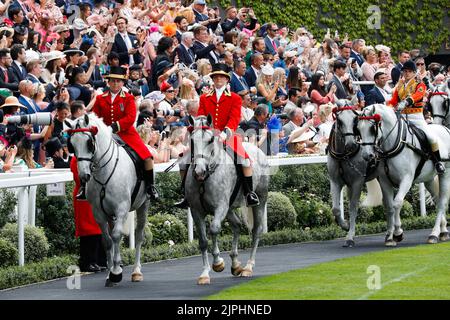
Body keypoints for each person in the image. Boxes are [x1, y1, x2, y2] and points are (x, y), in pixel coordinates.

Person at [175, 63, 260, 208]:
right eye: (216, 77)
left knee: (244, 160)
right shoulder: (204, 97)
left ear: (227, 79)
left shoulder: (235, 98)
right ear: (212, 79)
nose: (218, 79)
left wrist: (224, 134)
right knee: (183, 161)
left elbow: (234, 119)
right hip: (207, 136)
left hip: (228, 135)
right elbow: (201, 117)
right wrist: (200, 130)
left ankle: (248, 193)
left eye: (221, 77)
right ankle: (186, 195)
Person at [87, 66, 159, 200]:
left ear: (122, 83)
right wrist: (102, 129)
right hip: (104, 135)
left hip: (126, 133)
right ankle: (84, 187)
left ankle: (150, 187)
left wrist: (114, 127)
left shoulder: (128, 98)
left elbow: (130, 117)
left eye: (118, 81)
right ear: (108, 82)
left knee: (147, 157)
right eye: (113, 81)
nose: (115, 84)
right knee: (86, 157)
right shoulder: (100, 98)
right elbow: (95, 117)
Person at [388, 60, 445, 174]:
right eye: (405, 71)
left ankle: (437, 162)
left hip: (416, 117)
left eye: (409, 71)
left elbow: (418, 95)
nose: (407, 73)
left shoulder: (420, 84)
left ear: (414, 73)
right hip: (402, 116)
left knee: (431, 138)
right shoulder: (399, 85)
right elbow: (394, 100)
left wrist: (407, 101)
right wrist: (388, 107)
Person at [70, 156, 106, 273]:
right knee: (88, 229)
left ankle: (99, 260)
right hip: (84, 193)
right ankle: (88, 261)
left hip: (96, 193)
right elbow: (78, 178)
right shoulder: (77, 159)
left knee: (99, 227)